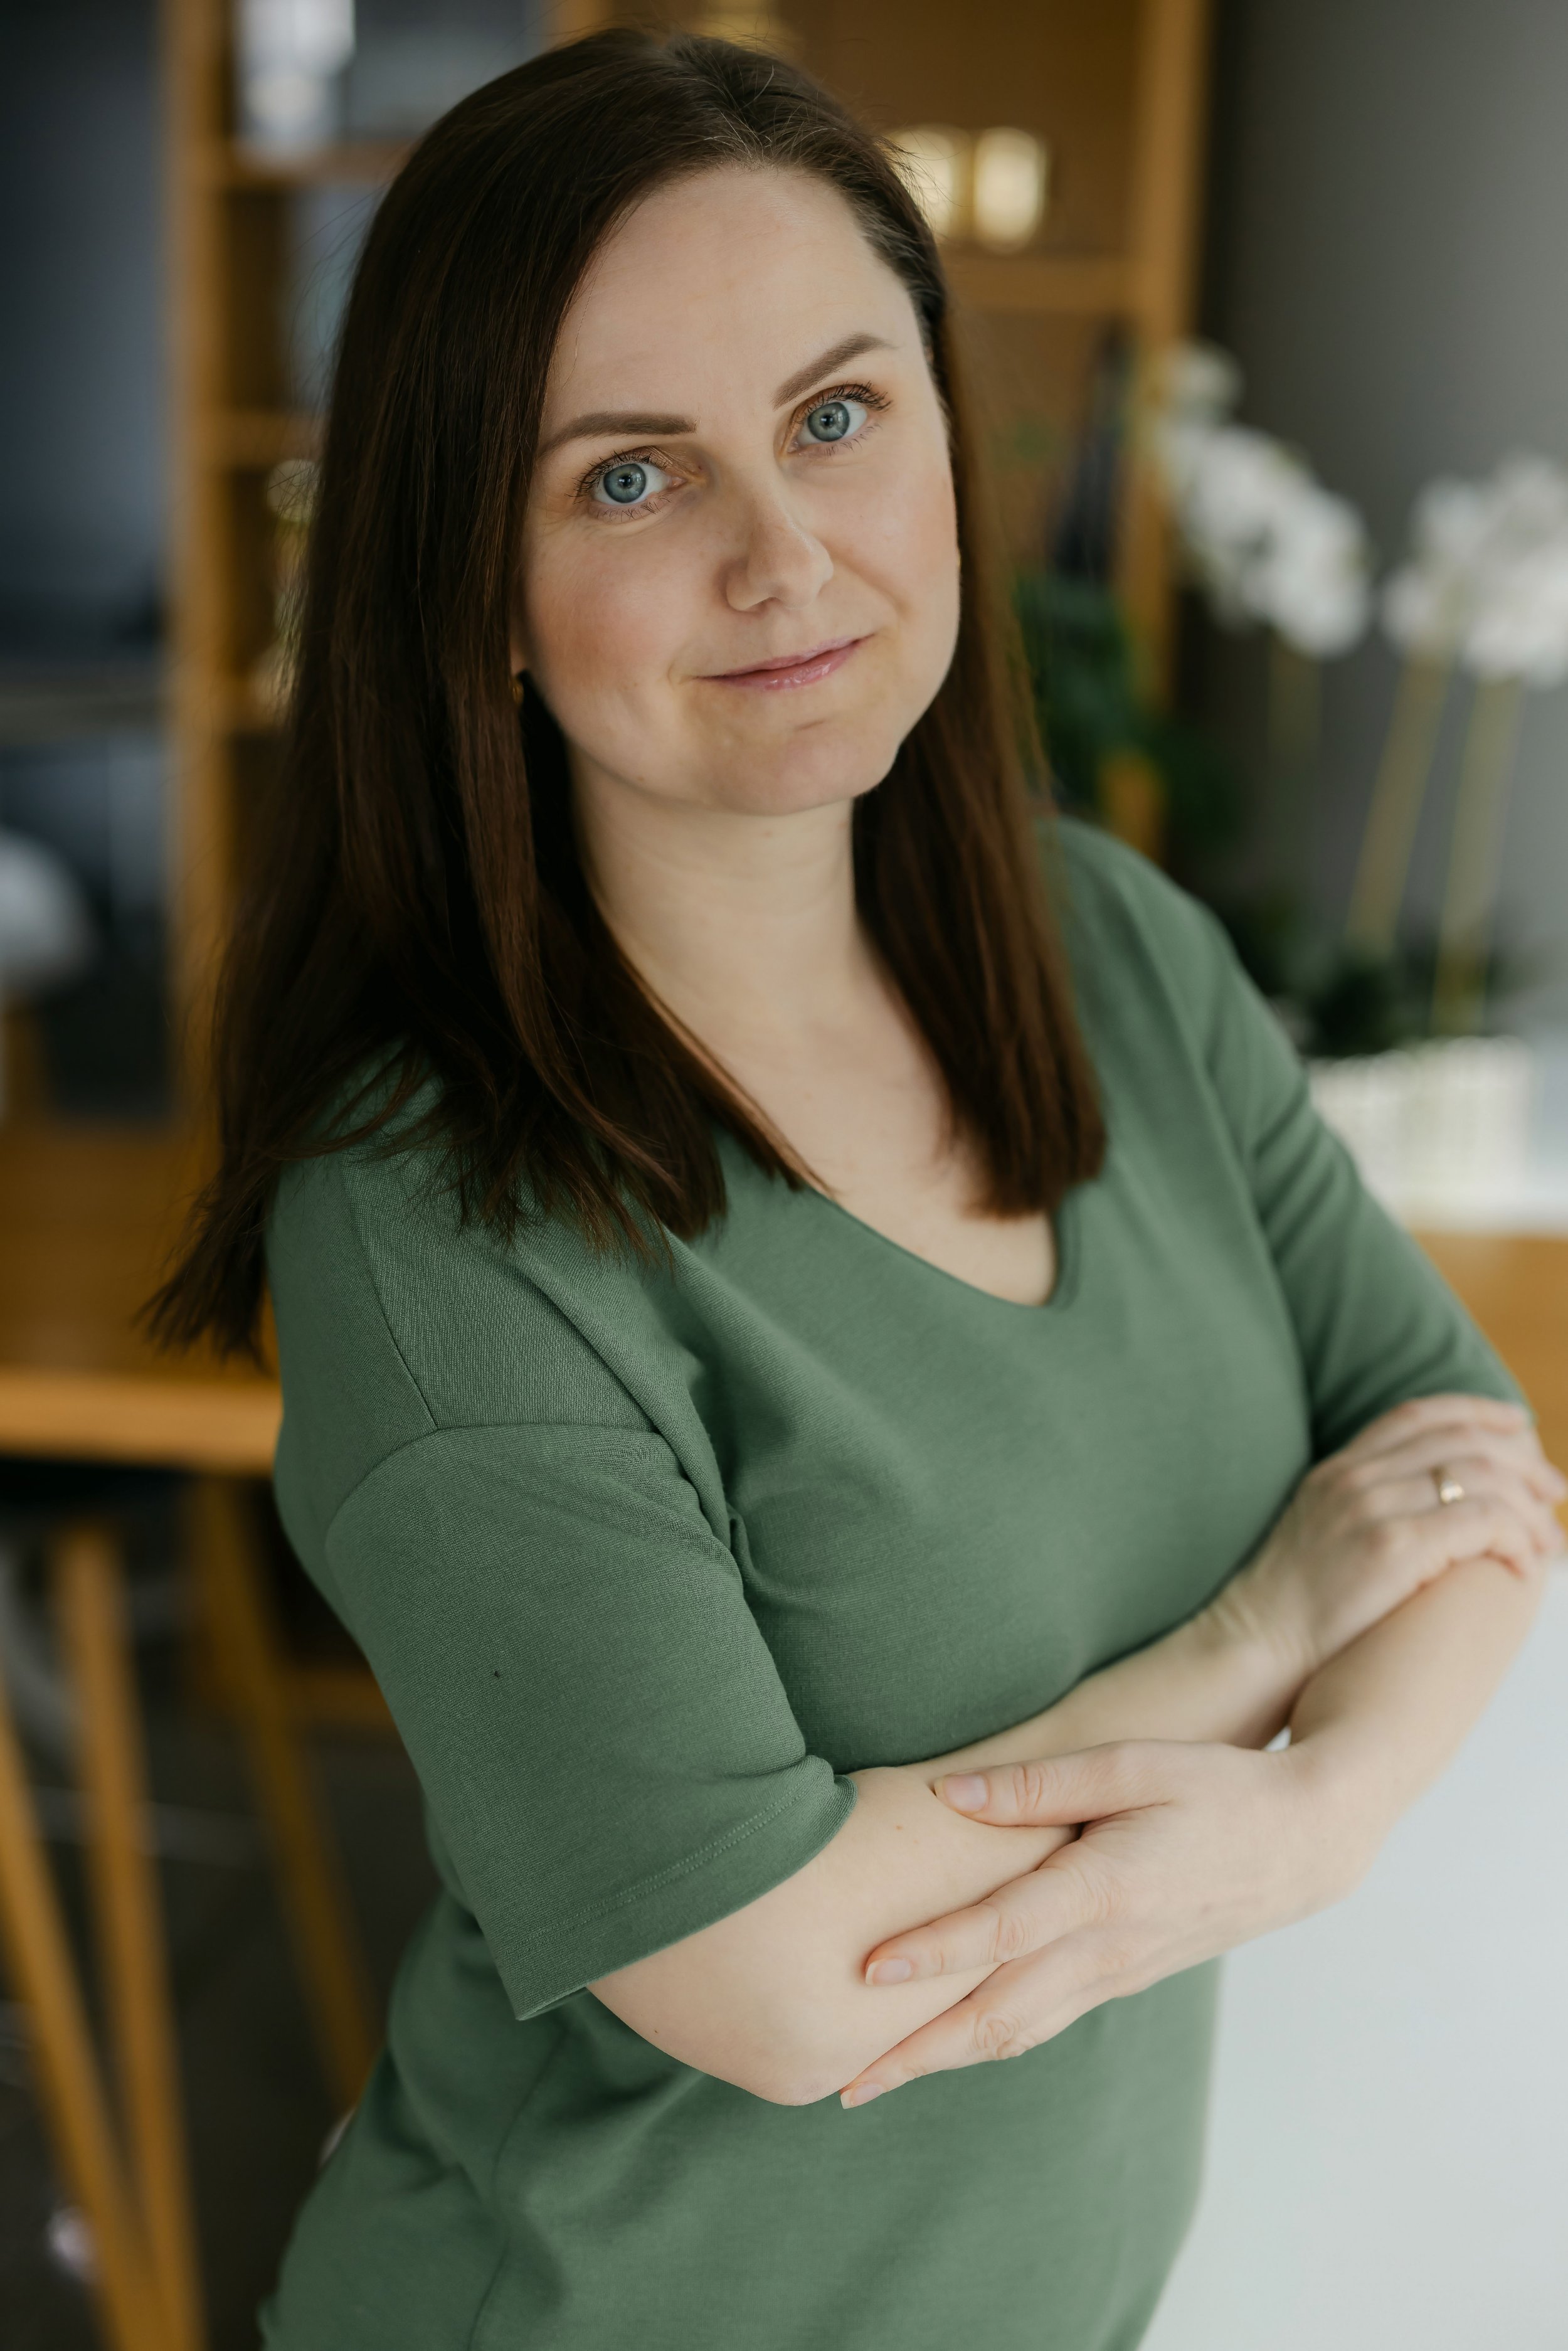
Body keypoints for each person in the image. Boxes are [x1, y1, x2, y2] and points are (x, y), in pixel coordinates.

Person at [147, 30, 1565, 2351]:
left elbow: (1467, 1473)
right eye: (626, 480)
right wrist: (1247, 1656)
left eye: (834, 417)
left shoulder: (1105, 941)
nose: (781, 555)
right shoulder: (434, 1225)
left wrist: (1316, 1821)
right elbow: (787, 1982)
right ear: (471, 590)